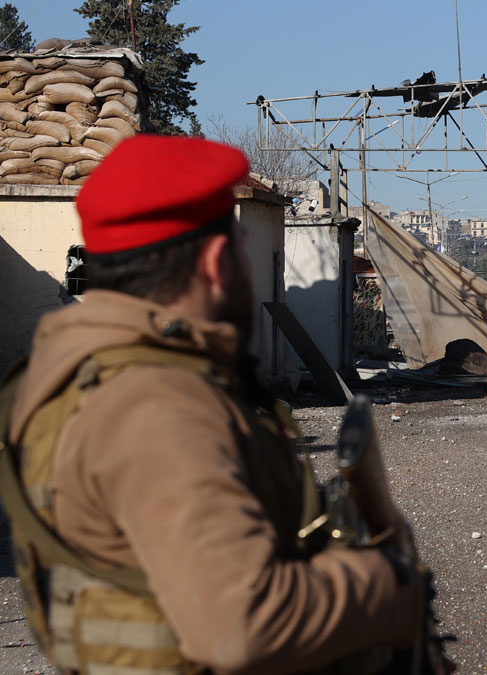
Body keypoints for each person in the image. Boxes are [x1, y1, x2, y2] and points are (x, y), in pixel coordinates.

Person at [1, 135, 425, 675]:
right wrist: (389, 587)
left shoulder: (69, 370)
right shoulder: (155, 404)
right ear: (214, 261)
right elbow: (241, 624)